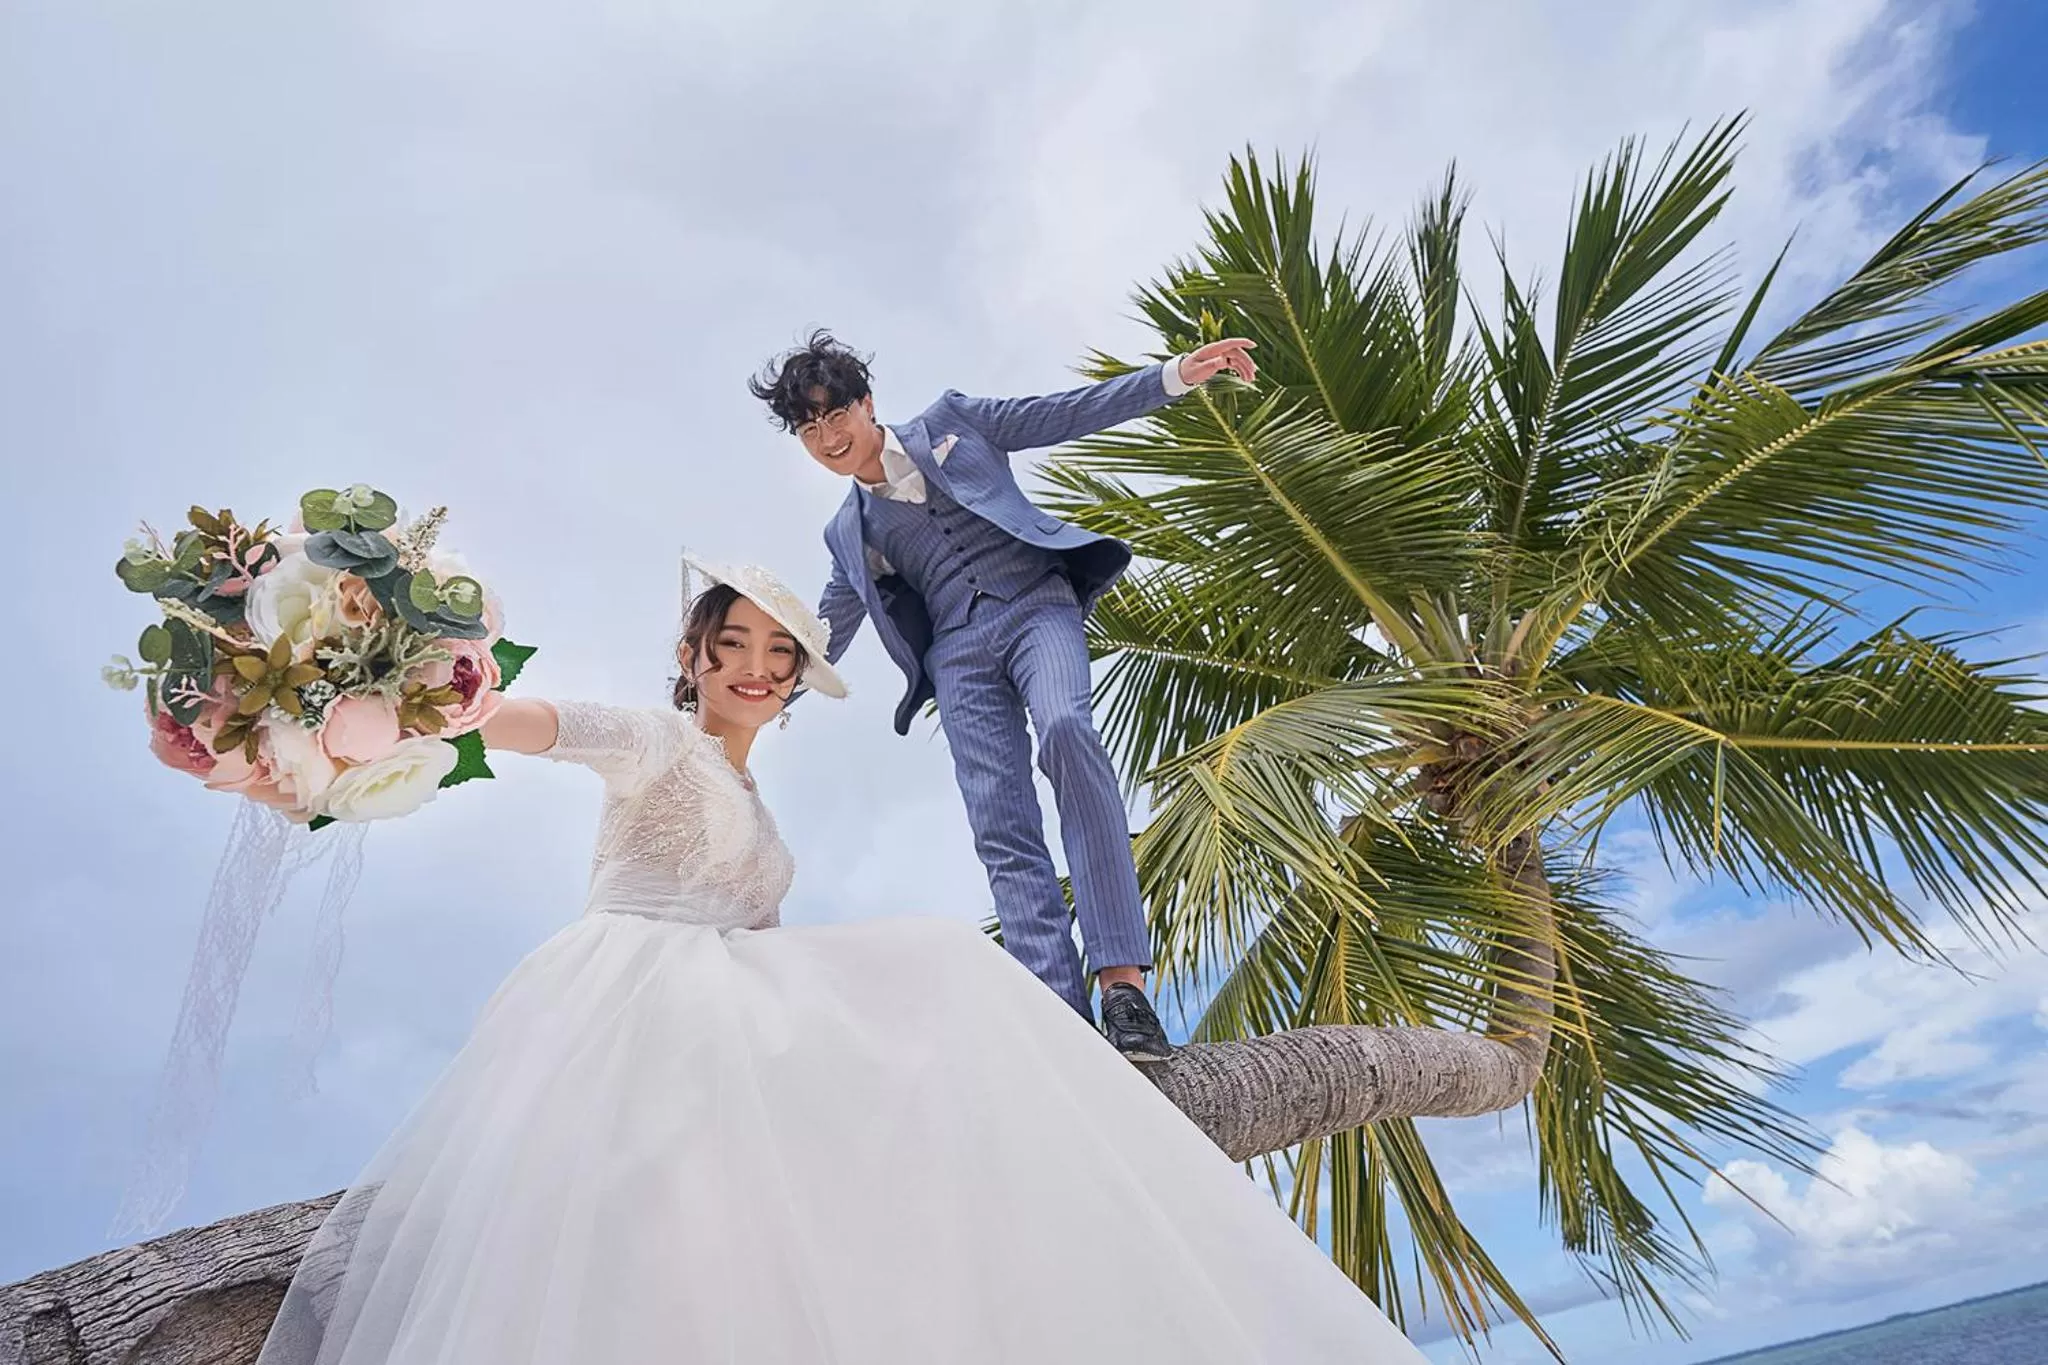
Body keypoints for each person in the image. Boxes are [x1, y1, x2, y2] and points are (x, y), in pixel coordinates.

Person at [250, 553, 1427, 1365]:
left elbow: (763, 950)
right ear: (693, 652)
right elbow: (521, 722)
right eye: (734, 646)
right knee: (928, 970)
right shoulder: (654, 739)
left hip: (720, 1006)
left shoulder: (759, 806)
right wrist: (406, 691)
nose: (757, 669)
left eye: (777, 654)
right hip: (632, 1000)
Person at [751, 333, 1257, 1060]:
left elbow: (1063, 412)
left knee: (1066, 730)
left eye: (835, 415)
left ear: (866, 403)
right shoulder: (847, 532)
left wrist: (1175, 376)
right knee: (1000, 821)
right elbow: (824, 631)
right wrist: (758, 692)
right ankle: (1059, 1018)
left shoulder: (957, 423)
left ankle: (1123, 984)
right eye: (808, 428)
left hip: (1035, 607)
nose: (827, 437)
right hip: (957, 655)